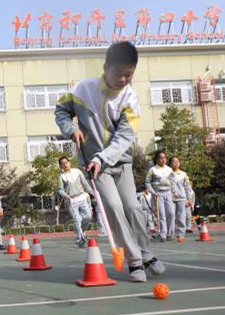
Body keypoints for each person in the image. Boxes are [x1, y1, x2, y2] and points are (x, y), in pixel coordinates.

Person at [55, 41, 165, 282]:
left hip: (120, 162)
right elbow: (61, 110)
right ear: (105, 67)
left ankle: (147, 254)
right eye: (118, 73)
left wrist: (103, 157)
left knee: (133, 207)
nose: (123, 79)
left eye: (129, 74)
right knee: (114, 208)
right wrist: (70, 128)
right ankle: (135, 262)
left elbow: (125, 136)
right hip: (94, 167)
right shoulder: (84, 89)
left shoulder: (131, 99)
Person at [58, 156, 93, 247]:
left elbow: (85, 184)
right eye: (62, 163)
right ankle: (80, 239)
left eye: (66, 162)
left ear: (69, 163)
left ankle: (81, 231)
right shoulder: (62, 177)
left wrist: (93, 193)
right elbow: (60, 190)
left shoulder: (77, 171)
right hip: (72, 201)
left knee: (88, 216)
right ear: (61, 166)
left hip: (82, 197)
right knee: (77, 220)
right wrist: (66, 195)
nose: (65, 164)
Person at [145, 150, 177, 242]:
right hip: (158, 194)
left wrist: (175, 193)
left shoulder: (169, 169)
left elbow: (173, 182)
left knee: (171, 213)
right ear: (156, 159)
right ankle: (163, 234)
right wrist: (152, 192)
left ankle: (170, 233)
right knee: (161, 215)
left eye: (164, 158)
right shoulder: (152, 170)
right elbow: (147, 182)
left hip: (168, 192)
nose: (163, 160)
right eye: (161, 158)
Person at [168, 156, 194, 241]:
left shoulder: (183, 174)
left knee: (181, 217)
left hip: (182, 198)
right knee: (171, 215)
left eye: (177, 161)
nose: (176, 163)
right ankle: (170, 233)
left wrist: (189, 199)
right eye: (174, 162)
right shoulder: (167, 173)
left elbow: (187, 187)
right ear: (170, 163)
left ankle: (180, 234)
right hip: (170, 198)